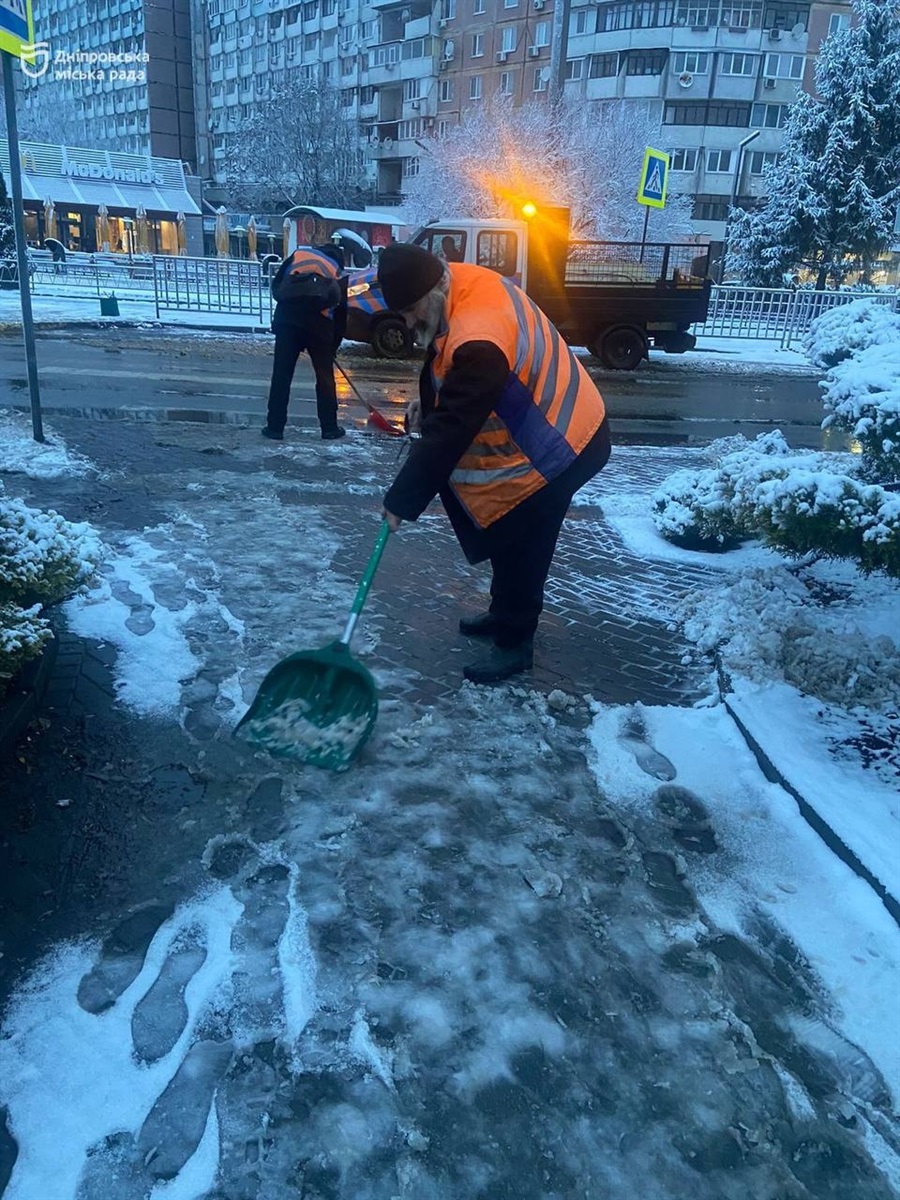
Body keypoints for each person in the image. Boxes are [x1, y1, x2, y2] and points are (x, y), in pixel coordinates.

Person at [377, 242, 611, 685]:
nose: (408, 324)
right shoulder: (458, 283)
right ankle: (503, 612)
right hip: (548, 422)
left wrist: (401, 500)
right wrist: (425, 403)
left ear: (434, 289)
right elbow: (444, 361)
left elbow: (452, 431)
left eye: (410, 311)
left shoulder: (479, 335)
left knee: (525, 536)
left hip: (567, 440)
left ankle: (515, 642)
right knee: (505, 525)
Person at [263, 243, 348, 441]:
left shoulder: (299, 255)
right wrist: (332, 347)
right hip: (319, 327)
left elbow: (277, 287)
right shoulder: (336, 271)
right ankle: (329, 428)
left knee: (281, 376)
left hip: (288, 322)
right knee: (325, 379)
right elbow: (341, 314)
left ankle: (274, 428)